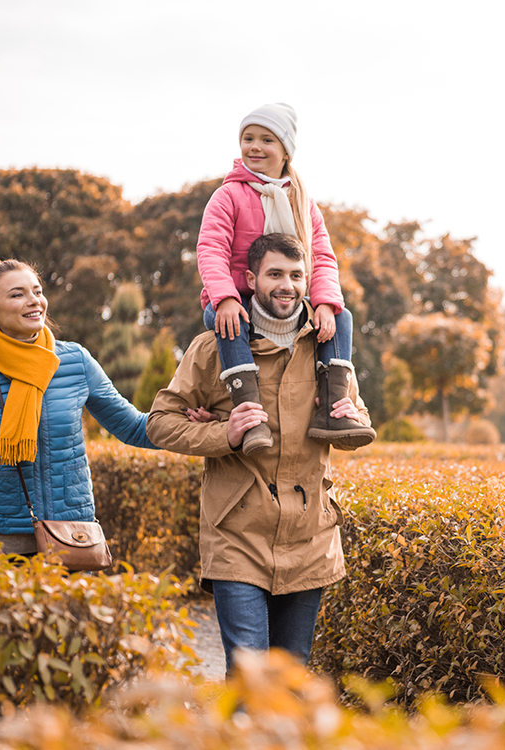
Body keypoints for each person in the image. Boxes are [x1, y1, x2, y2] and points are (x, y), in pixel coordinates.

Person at [147, 233, 372, 672]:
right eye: (274, 274)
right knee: (249, 671)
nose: (286, 285)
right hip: (237, 534)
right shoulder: (213, 346)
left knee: (291, 672)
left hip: (310, 534)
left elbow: (357, 414)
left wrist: (354, 416)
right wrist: (223, 435)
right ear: (250, 279)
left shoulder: (329, 346)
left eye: (296, 275)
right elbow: (160, 422)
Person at [0, 256, 155, 554]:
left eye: (37, 291)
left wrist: (191, 421)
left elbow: (134, 427)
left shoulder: (75, 362)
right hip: (1, 547)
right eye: (17, 295)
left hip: (73, 539)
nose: (34, 301)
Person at [197, 102, 375, 455]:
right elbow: (211, 249)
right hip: (241, 297)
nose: (255, 147)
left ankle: (333, 408)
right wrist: (226, 298)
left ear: (285, 151)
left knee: (342, 318)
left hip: (289, 299)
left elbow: (322, 257)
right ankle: (250, 415)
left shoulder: (303, 202)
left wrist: (324, 303)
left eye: (266, 140)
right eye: (248, 138)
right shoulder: (227, 195)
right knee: (225, 322)